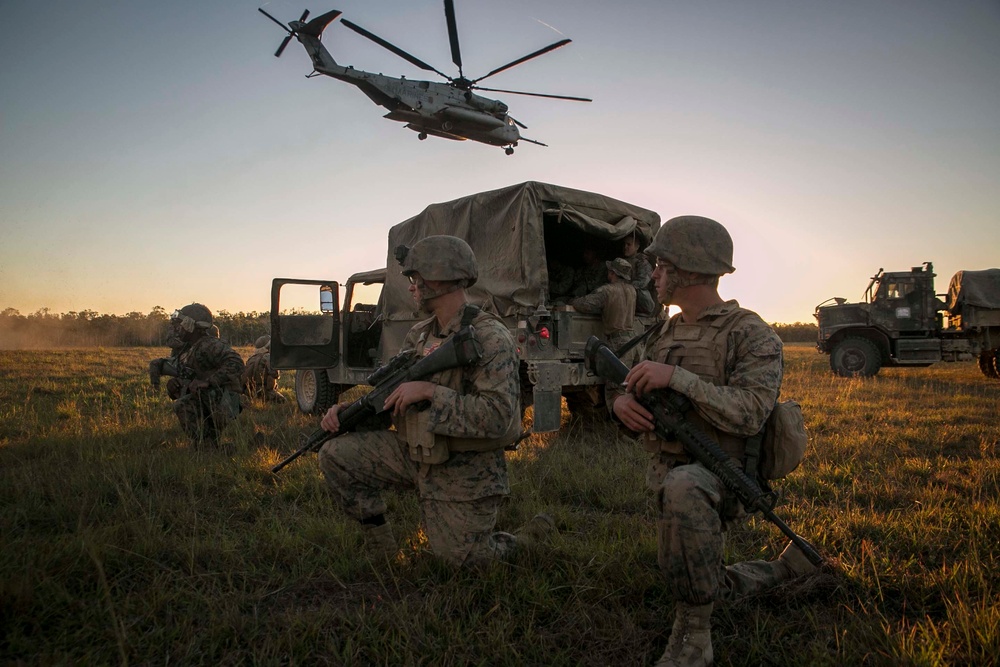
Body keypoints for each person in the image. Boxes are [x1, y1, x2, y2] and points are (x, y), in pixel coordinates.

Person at [609, 216, 817, 666]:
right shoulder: (665, 330)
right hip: (666, 470)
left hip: (725, 474)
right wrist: (621, 406)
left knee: (686, 497)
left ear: (689, 270)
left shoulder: (750, 332)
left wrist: (679, 379)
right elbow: (635, 387)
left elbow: (750, 412)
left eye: (661, 265)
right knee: (690, 572)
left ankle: (694, 638)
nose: (655, 276)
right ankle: (781, 569)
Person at [317, 235, 554, 566]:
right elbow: (391, 399)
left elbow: (500, 417)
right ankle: (384, 554)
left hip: (464, 467)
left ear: (439, 278)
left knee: (464, 562)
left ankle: (529, 537)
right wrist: (348, 414)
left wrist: (430, 392)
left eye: (416, 279)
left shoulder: (490, 337)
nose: (412, 288)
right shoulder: (420, 335)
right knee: (335, 455)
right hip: (415, 451)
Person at [149, 303, 245, 449]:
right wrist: (175, 384)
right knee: (183, 402)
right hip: (210, 400)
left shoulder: (209, 344)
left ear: (190, 325)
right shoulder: (188, 349)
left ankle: (208, 444)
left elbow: (236, 362)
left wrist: (208, 382)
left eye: (181, 324)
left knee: (182, 405)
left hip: (223, 402)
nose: (177, 328)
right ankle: (207, 444)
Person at [570, 257, 640, 367]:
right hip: (633, 342)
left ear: (612, 273)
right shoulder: (632, 290)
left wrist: (573, 301)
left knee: (615, 382)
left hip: (618, 344)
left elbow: (585, 305)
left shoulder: (607, 291)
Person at [242, 335, 286, 403]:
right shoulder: (268, 358)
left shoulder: (251, 359)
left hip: (251, 392)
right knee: (283, 401)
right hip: (266, 392)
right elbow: (275, 375)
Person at [622, 231, 657, 315]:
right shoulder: (623, 261)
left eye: (629, 244)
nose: (625, 247)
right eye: (624, 244)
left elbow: (643, 282)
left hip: (639, 300)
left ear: (637, 247)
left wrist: (624, 288)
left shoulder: (642, 262)